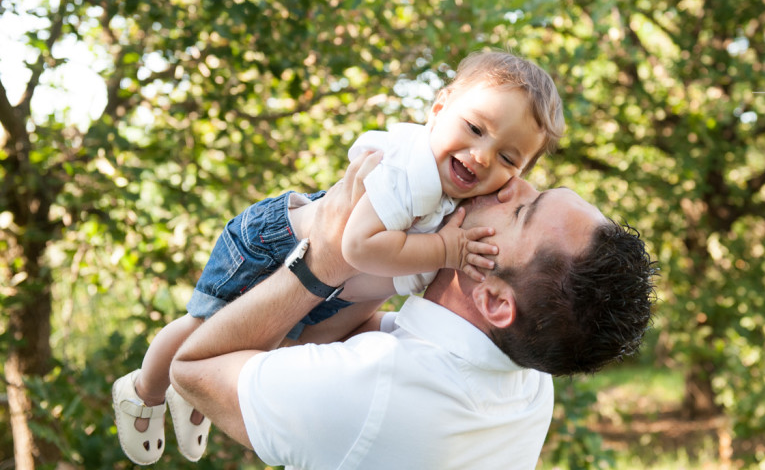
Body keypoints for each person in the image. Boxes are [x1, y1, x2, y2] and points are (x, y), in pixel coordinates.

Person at [111, 51, 566, 465]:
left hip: (332, 287)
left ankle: (199, 394)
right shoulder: (409, 173)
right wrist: (445, 249)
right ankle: (144, 391)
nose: (482, 156)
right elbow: (356, 246)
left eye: (508, 157)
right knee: (204, 328)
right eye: (474, 128)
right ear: (440, 106)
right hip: (278, 250)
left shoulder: (458, 193)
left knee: (255, 346)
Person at [168, 151, 657, 469]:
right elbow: (322, 343)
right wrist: (395, 256)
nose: (511, 182)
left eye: (520, 211)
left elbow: (192, 368)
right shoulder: (528, 381)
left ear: (493, 300)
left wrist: (325, 262)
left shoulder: (378, 388)